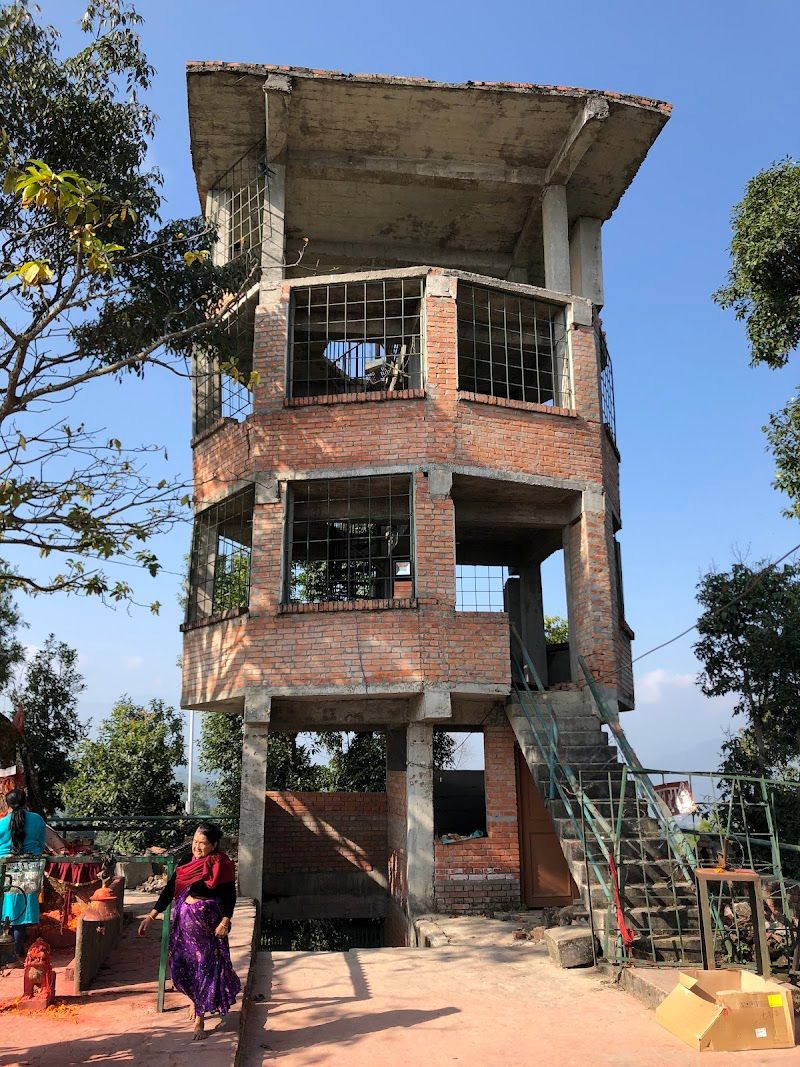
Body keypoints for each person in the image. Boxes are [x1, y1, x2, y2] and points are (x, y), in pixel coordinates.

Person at [138, 822, 240, 1041]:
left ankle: (200, 1019)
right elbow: (170, 889)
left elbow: (229, 896)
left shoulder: (221, 865)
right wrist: (151, 916)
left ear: (213, 845)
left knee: (203, 968)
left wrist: (225, 921)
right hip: (183, 927)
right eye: (194, 841)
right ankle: (196, 1000)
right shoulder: (186, 861)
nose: (197, 847)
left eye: (202, 843)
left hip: (207, 928)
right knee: (181, 967)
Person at [0, 788, 46, 962]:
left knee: (5, 908)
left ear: (7, 805)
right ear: (26, 802)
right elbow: (41, 844)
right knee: (21, 913)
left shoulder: (2, 823)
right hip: (30, 870)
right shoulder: (37, 820)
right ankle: (15, 954)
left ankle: (6, 953)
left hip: (4, 870)